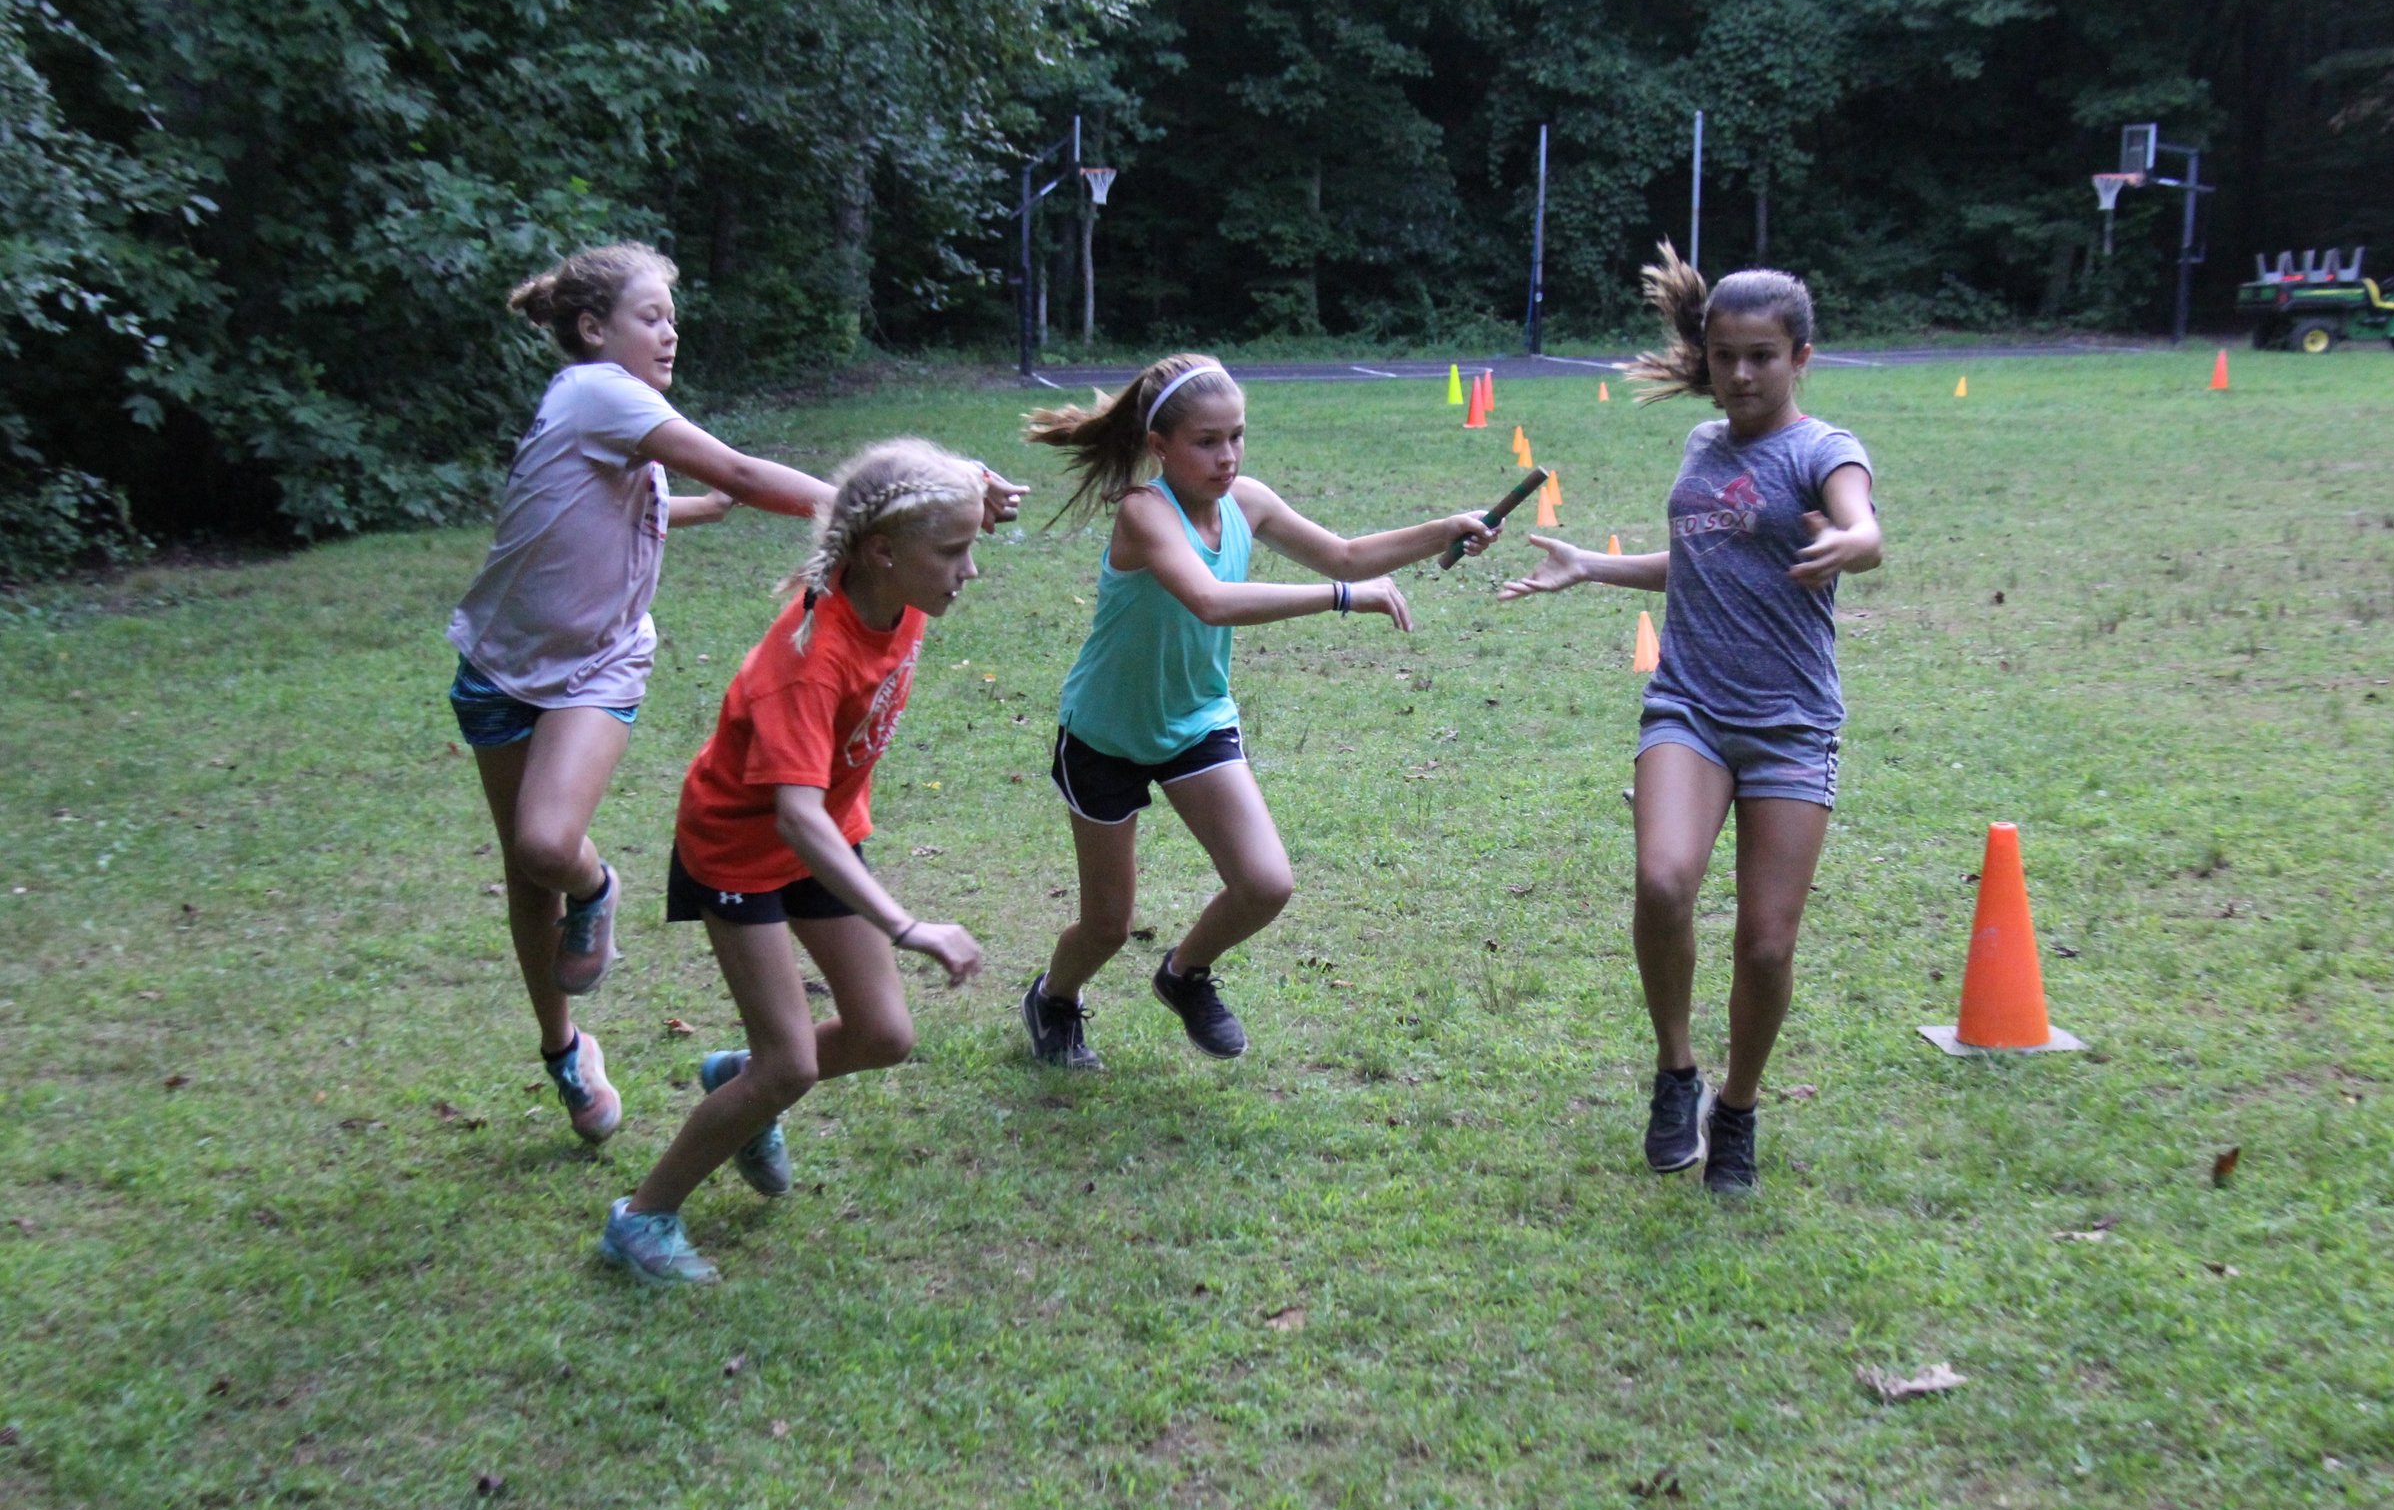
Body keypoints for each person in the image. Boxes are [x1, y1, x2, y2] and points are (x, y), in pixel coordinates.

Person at [1498, 242, 1883, 1196]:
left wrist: (1853, 540)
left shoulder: (1825, 450)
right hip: (1692, 705)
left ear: (1801, 358)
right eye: (1725, 356)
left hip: (1791, 722)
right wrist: (1591, 564)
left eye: (1762, 356)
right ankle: (1677, 1073)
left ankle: (1737, 1108)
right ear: (1706, 357)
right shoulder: (1703, 445)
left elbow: (1861, 523)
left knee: (1766, 942)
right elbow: (1702, 563)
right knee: (1664, 881)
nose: (1741, 374)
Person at [448, 242, 843, 1146]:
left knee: (548, 844)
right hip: (499, 667)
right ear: (594, 329)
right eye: (651, 316)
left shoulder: (609, 406)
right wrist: (871, 502)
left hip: (599, 663)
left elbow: (631, 499)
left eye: (673, 318)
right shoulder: (598, 392)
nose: (671, 334)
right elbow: (738, 473)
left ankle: (596, 889)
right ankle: (565, 1048)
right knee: (529, 872)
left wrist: (690, 507)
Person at [598, 438, 1012, 1285]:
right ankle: (641, 1217)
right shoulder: (808, 660)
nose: (968, 570)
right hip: (741, 850)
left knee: (883, 1034)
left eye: (970, 545)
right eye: (953, 551)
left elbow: (930, 482)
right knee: (790, 1063)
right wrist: (906, 925)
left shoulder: (900, 567)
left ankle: (740, 1083)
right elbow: (793, 817)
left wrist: (981, 485)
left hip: (825, 830)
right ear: (882, 551)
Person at [1016, 354, 1496, 1068]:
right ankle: (1053, 998)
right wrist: (1340, 599)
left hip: (1195, 721)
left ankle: (1184, 974)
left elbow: (1345, 554)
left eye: (1237, 436)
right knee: (1108, 925)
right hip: (1105, 735)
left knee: (1266, 884)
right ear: (1159, 446)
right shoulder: (1144, 511)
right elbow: (1210, 600)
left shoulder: (1248, 501)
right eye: (1207, 441)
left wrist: (1443, 529)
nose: (1228, 456)